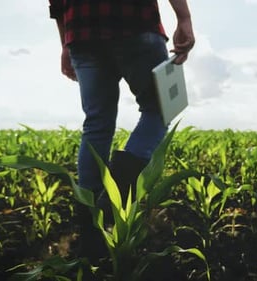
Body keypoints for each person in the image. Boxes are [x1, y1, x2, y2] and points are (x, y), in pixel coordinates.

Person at [48, 0, 195, 264]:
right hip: (135, 21)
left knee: (96, 124)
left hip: (81, 32)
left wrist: (65, 44)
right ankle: (115, 195)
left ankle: (91, 231)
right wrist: (183, 18)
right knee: (158, 108)